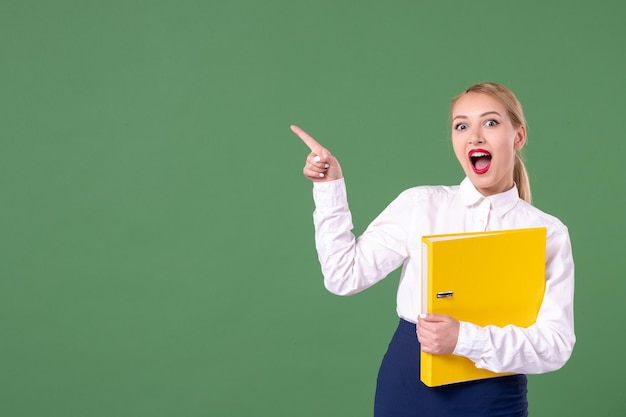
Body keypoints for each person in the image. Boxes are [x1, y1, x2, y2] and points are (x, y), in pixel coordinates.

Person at [291, 82, 575, 417]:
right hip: (407, 384)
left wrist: (463, 340)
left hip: (493, 395)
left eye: (491, 122)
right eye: (461, 125)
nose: (475, 137)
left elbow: (556, 346)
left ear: (518, 137)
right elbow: (343, 276)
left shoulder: (547, 233)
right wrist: (329, 190)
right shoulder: (421, 205)